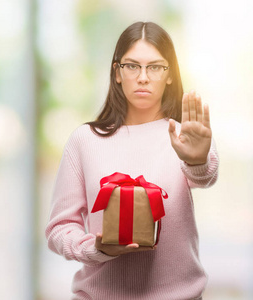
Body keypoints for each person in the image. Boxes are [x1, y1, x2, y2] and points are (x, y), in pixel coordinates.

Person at [45, 21, 219, 300]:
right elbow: (59, 229)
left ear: (170, 74)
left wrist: (196, 159)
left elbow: (205, 176)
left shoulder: (183, 135)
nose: (143, 77)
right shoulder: (84, 140)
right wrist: (96, 249)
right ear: (117, 73)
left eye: (155, 67)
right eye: (132, 66)